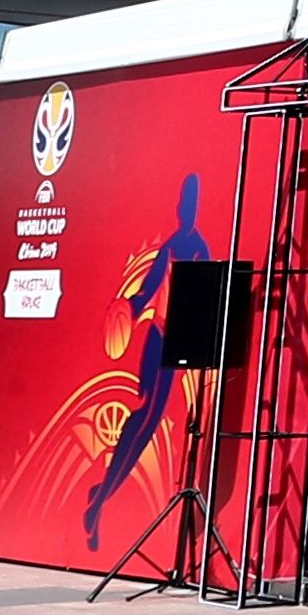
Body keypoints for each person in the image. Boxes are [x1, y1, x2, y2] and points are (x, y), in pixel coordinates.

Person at [82, 174, 210, 551]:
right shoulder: (170, 246)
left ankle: (99, 495)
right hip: (158, 340)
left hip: (177, 344)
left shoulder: (200, 248)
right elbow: (147, 291)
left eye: (192, 203)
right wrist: (124, 310)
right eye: (184, 203)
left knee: (147, 423)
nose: (186, 210)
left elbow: (203, 300)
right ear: (178, 207)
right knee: (142, 418)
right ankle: (98, 501)